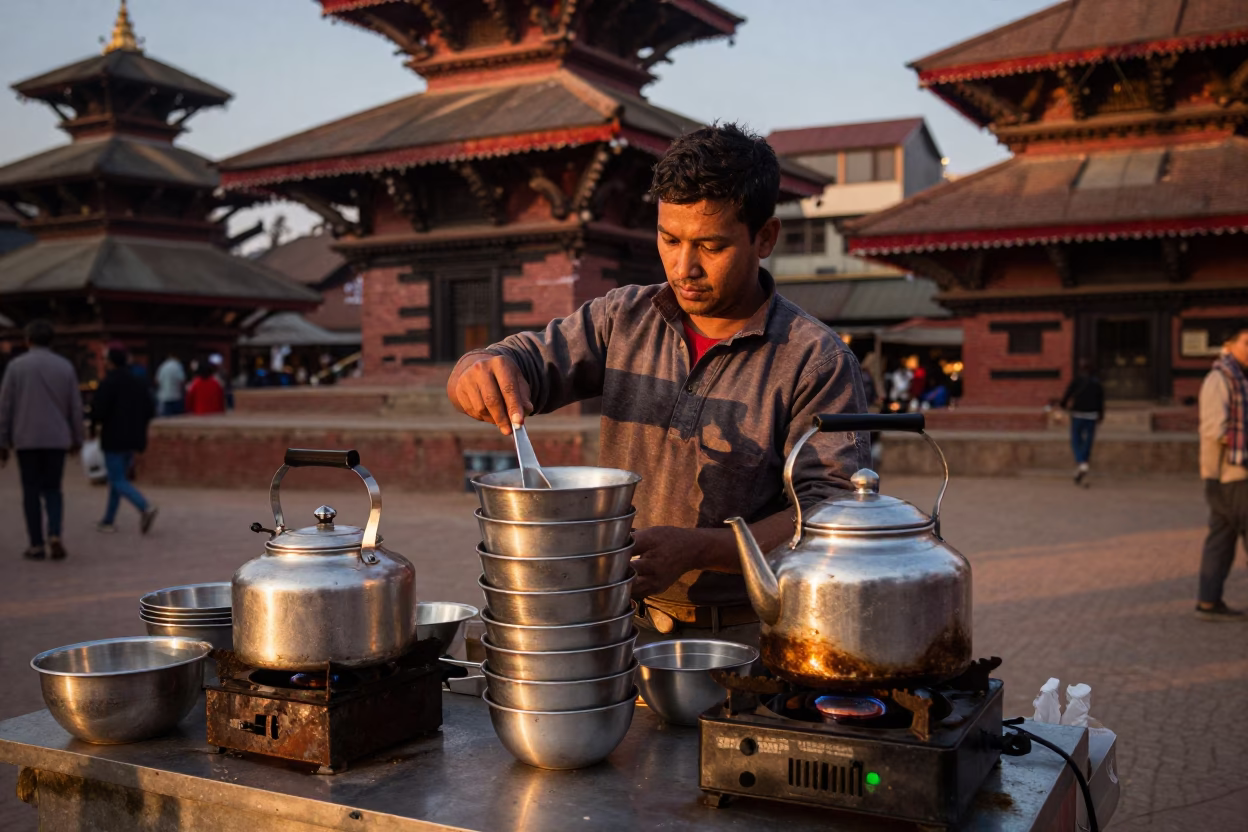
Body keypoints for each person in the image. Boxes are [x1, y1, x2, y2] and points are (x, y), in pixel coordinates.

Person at [446, 123, 869, 647]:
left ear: (764, 238)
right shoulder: (622, 317)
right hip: (619, 624)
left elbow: (833, 515)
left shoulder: (816, 360)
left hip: (751, 636)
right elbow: (526, 359)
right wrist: (480, 364)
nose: (684, 267)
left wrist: (703, 549)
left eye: (710, 246)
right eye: (670, 240)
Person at [0, 320, 84, 560]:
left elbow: (5, 407)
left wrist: (2, 441)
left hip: (25, 438)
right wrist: (78, 437)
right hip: (56, 438)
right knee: (54, 490)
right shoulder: (65, 367)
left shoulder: (16, 367)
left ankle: (35, 543)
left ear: (27, 340)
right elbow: (75, 407)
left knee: (30, 491)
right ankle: (55, 533)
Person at [1196, 323, 1248, 622]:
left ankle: (1208, 600)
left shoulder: (1240, 379)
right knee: (1223, 536)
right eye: (1246, 343)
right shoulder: (1221, 379)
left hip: (1231, 473)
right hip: (1231, 473)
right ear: (1229, 345)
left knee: (1221, 537)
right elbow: (1216, 430)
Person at [91, 346, 158, 534]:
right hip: (133, 437)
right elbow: (149, 409)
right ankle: (108, 519)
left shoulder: (108, 382)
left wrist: (93, 424)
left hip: (113, 436)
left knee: (117, 478)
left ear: (110, 362)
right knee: (117, 478)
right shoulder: (138, 382)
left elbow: (99, 411)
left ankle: (144, 506)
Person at [1060, 358, 1105, 486]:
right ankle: (1084, 460)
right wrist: (1101, 415)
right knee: (1088, 439)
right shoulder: (1097, 383)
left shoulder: (1077, 381)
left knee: (1076, 438)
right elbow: (1101, 401)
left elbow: (1067, 394)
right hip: (1092, 415)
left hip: (1078, 413)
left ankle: (1081, 461)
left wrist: (1063, 405)